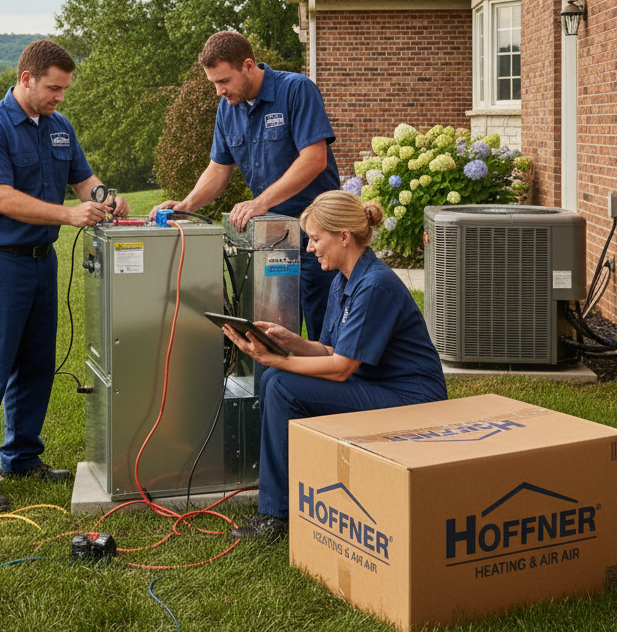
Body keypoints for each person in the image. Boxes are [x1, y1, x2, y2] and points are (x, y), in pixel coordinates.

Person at [0, 39, 128, 513]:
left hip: (41, 262)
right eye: (53, 88)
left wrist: (105, 196)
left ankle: (22, 457)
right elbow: (2, 199)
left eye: (65, 89)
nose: (60, 98)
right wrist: (68, 216)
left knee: (36, 366)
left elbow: (84, 179)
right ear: (26, 78)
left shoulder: (58, 126)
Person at [221, 190, 447, 540]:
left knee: (279, 381)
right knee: (273, 377)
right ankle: (292, 492)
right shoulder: (342, 280)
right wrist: (289, 342)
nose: (309, 248)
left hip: (413, 400)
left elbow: (341, 369)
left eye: (314, 239)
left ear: (344, 237)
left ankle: (277, 516)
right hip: (374, 385)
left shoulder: (374, 285)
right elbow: (329, 350)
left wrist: (279, 360)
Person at [153, 30, 340, 338]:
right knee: (273, 330)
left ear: (249, 66)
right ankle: (281, 387)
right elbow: (218, 169)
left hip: (317, 234)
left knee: (325, 332)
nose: (218, 91)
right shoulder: (227, 109)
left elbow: (314, 159)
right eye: (213, 82)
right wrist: (186, 205)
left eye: (223, 81)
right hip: (270, 239)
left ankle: (329, 386)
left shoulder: (296, 90)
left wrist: (260, 202)